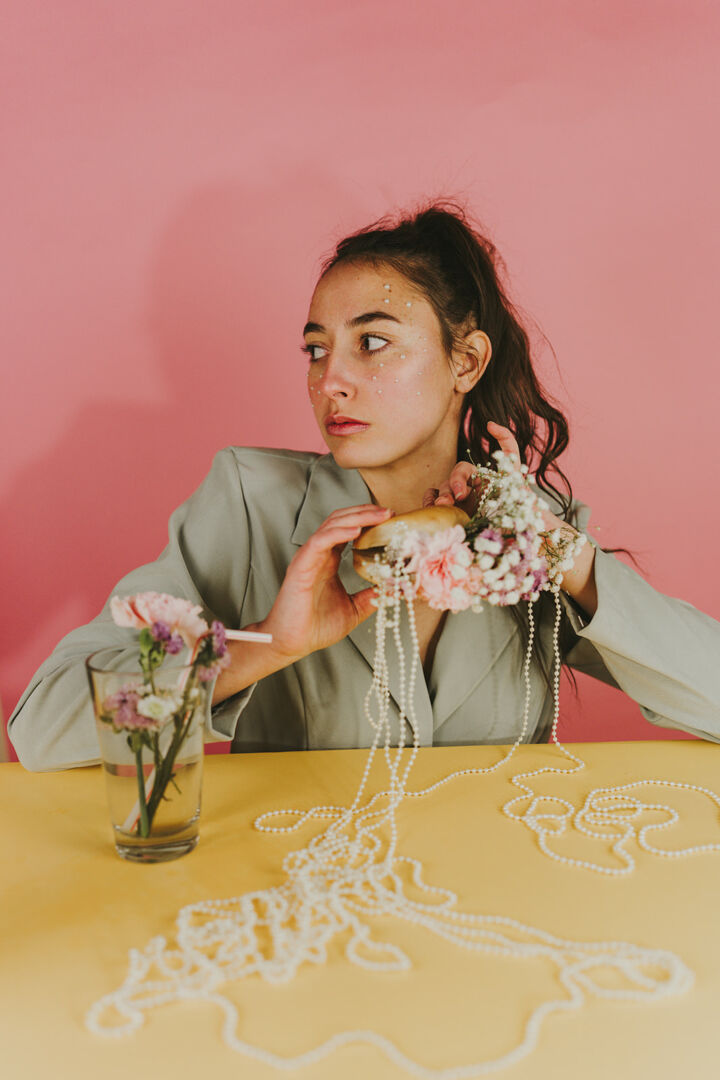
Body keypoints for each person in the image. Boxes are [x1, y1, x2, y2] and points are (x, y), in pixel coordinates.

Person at [8, 200, 720, 771]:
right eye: (316, 349)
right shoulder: (250, 502)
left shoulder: (527, 533)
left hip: (495, 886)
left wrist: (566, 554)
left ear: (466, 361)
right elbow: (42, 730)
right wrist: (267, 647)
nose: (330, 381)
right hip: (299, 884)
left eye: (372, 342)